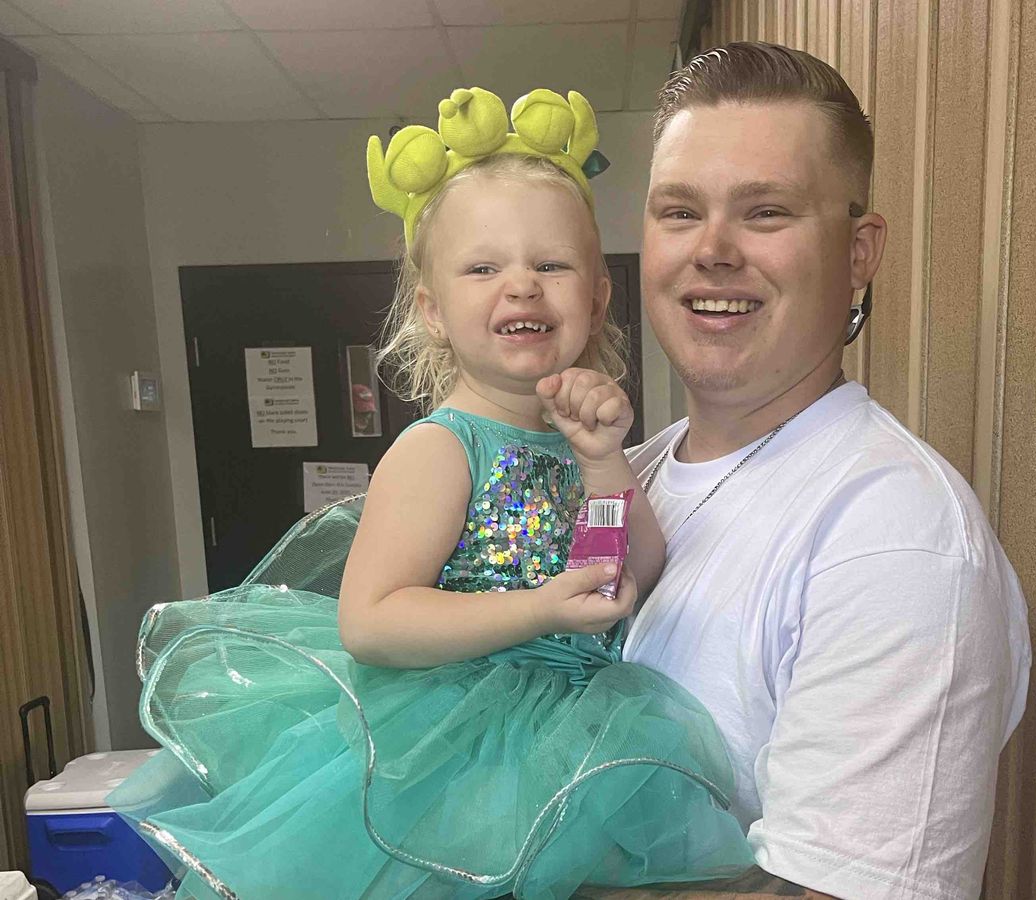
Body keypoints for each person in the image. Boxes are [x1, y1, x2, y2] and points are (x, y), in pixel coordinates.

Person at [108, 87, 752, 900]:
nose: (521, 286)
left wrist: (602, 461)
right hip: (453, 751)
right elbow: (372, 622)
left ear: (596, 298)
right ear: (433, 309)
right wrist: (538, 610)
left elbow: (630, 572)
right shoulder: (440, 448)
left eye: (551, 264)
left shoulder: (578, 438)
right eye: (483, 267)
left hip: (575, 735)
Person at [612, 43, 1033, 899]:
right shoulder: (627, 475)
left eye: (766, 212)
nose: (713, 250)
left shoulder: (894, 536)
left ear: (859, 251)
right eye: (680, 211)